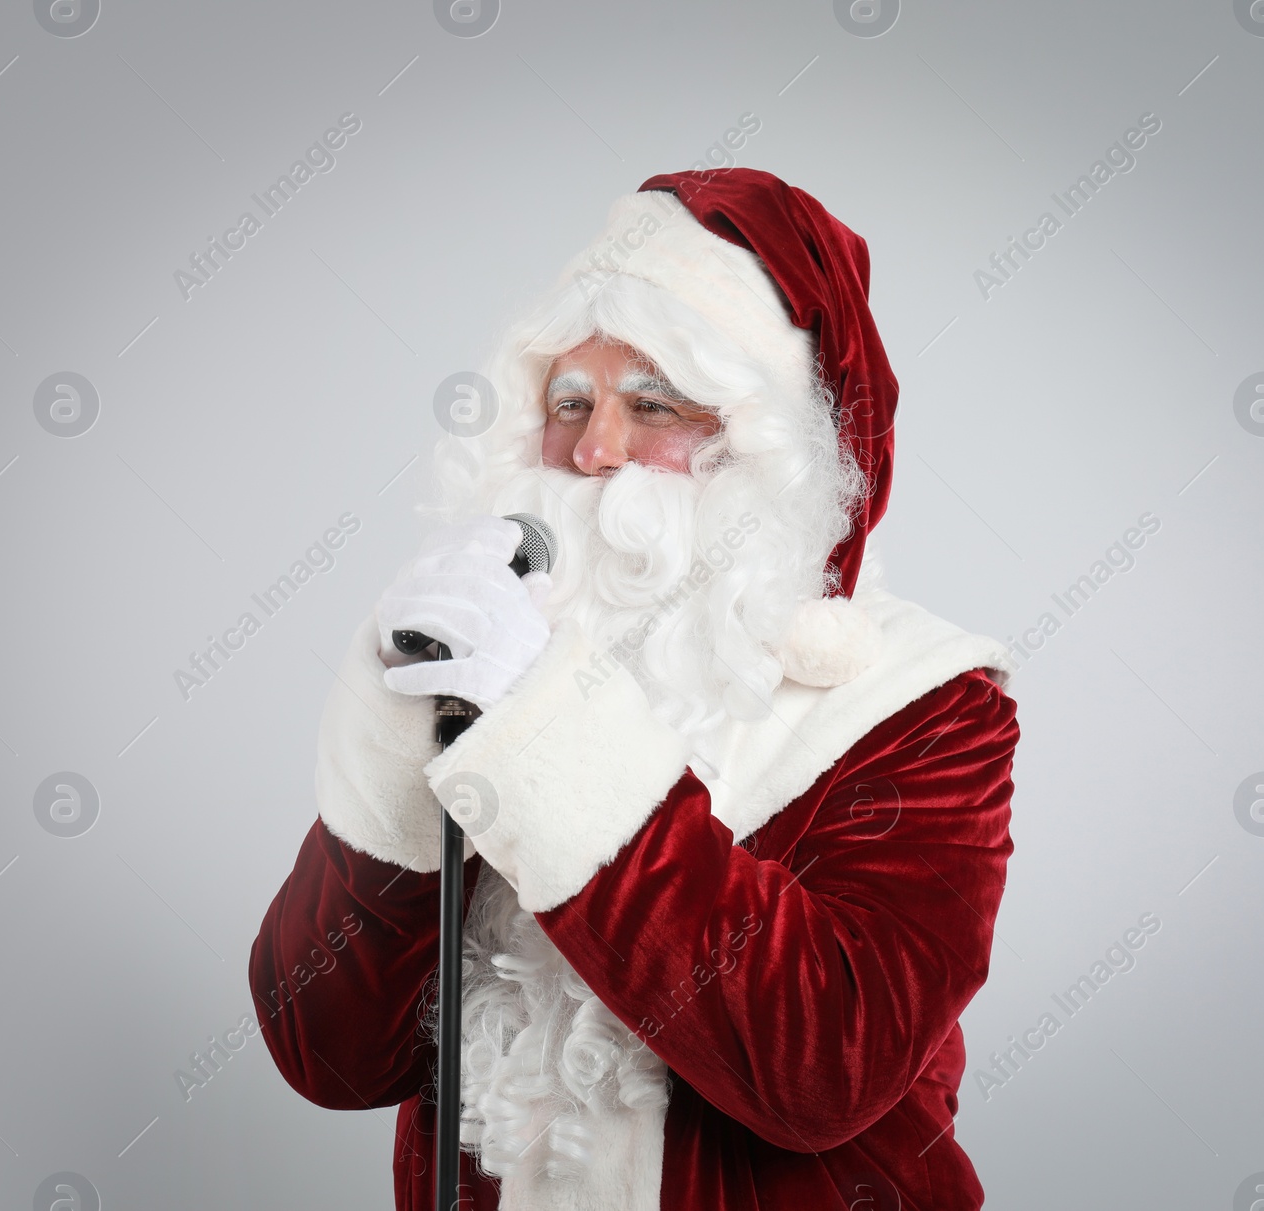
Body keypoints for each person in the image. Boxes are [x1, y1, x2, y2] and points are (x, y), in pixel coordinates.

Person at [249, 167, 1021, 1210]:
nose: (593, 451)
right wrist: (394, 727)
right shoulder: (477, 667)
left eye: (652, 404)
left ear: (766, 449)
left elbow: (825, 1066)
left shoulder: (922, 700)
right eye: (570, 402)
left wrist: (545, 731)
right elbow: (328, 1050)